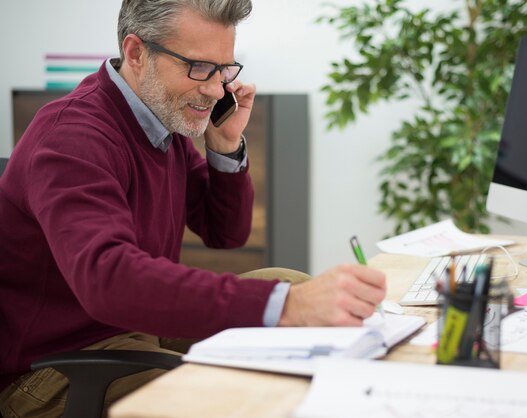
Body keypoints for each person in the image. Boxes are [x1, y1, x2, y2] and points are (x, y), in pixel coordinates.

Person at [0, 0, 386, 416]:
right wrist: (289, 307)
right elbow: (108, 280)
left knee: (287, 280)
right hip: (52, 371)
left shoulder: (162, 121)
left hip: (135, 330)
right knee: (233, 393)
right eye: (199, 67)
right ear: (136, 52)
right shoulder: (73, 137)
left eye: (224, 69)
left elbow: (225, 232)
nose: (217, 89)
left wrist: (224, 145)